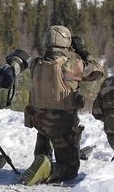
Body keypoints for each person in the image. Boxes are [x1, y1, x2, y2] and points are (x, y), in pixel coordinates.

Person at [19, 25, 104, 185]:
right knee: (70, 170)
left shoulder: (36, 64)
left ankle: (42, 156)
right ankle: (49, 170)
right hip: (61, 124)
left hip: (39, 121)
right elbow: (98, 71)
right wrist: (82, 51)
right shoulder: (72, 64)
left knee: (45, 129)